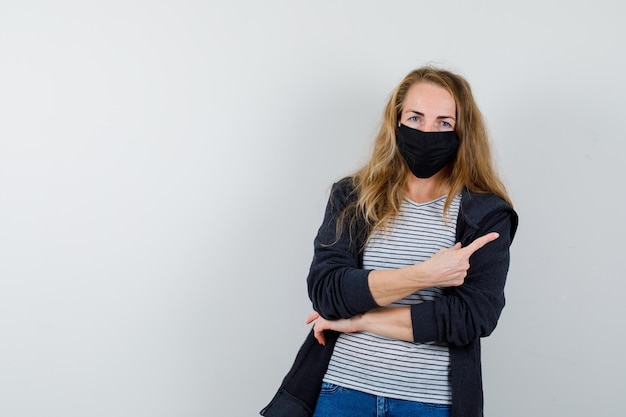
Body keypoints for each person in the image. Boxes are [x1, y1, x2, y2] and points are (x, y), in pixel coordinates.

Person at [260, 66, 518, 417]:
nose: (427, 132)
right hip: (342, 391)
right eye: (415, 118)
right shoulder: (353, 196)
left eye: (444, 122)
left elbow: (472, 318)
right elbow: (327, 291)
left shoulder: (485, 214)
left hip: (429, 403)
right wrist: (426, 275)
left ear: (463, 132)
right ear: (395, 122)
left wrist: (362, 320)